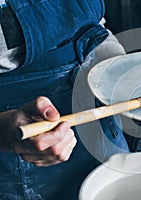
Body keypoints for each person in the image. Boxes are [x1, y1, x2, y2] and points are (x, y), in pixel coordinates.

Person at [0, 0, 129, 199]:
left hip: (103, 130)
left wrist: (119, 67)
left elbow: (92, 25)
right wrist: (4, 130)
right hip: (20, 160)